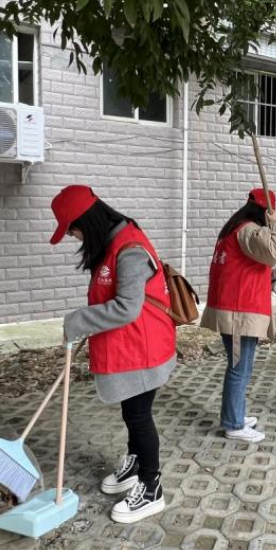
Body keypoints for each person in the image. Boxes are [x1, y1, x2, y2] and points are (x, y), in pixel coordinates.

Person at [50, 185, 176, 524]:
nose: (74, 237)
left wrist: (78, 320)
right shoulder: (114, 243)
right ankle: (134, 465)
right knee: (131, 413)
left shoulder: (129, 250)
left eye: (72, 230)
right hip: (132, 347)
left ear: (87, 222)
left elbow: (127, 308)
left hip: (145, 349)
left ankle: (151, 488)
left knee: (139, 416)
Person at [201, 188, 276, 443]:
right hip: (238, 313)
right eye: (271, 213)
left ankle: (235, 414)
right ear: (266, 211)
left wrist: (274, 275)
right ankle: (234, 425)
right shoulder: (248, 230)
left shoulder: (236, 229)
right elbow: (274, 252)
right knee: (239, 369)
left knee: (242, 367)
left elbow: (247, 270)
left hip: (238, 309)